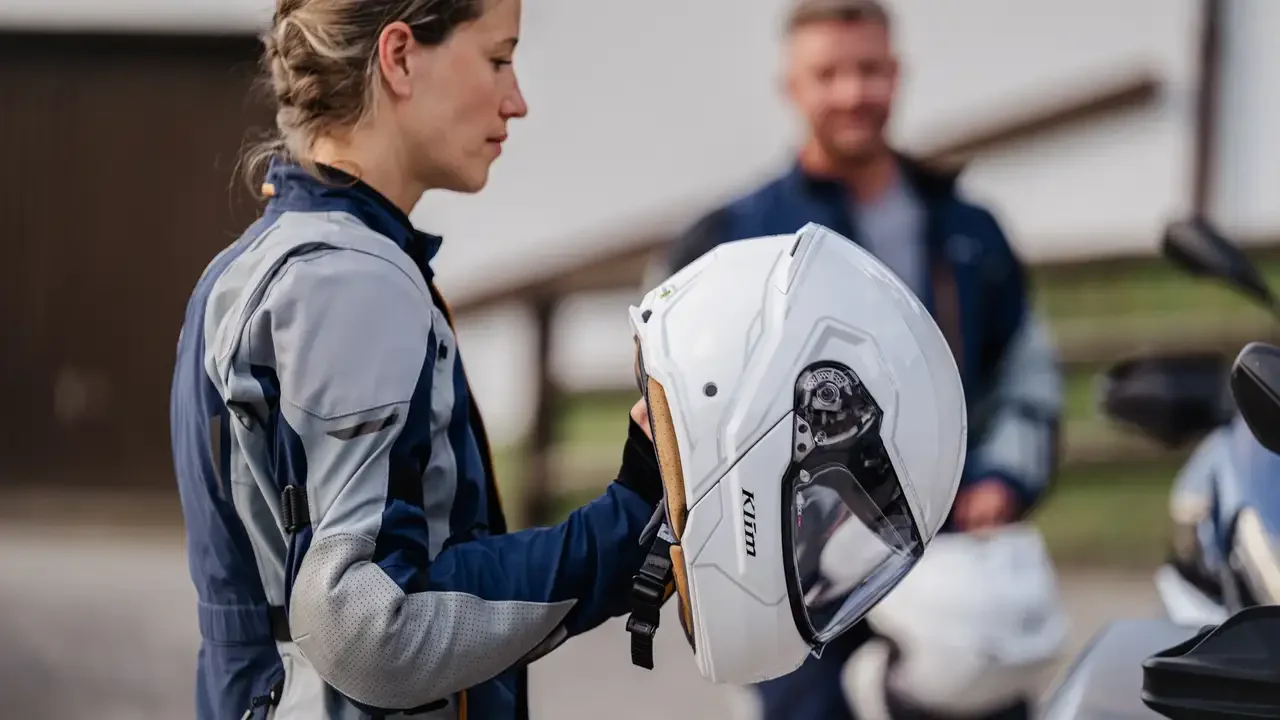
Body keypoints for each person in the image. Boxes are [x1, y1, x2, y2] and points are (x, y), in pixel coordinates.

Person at [168, 1, 663, 718]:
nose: (516, 100)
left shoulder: (248, 268)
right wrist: (628, 518)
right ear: (399, 57)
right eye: (498, 58)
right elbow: (366, 628)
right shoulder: (350, 279)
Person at [664, 1, 1064, 719]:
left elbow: (1024, 375)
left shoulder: (969, 230)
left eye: (870, 70)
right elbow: (685, 417)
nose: (853, 92)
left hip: (955, 575)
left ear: (897, 74)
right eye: (829, 74)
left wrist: (1003, 477)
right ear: (791, 86)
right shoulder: (734, 242)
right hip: (800, 587)